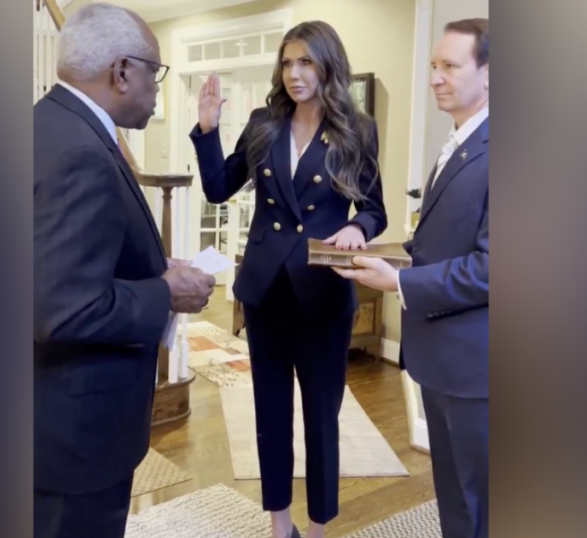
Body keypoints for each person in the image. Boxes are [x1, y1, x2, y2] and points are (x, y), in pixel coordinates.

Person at [190, 20, 387, 538]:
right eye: (287, 62)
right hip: (265, 292)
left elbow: (375, 209)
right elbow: (217, 189)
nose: (295, 73)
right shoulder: (263, 122)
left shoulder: (356, 129)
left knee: (322, 421)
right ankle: (281, 525)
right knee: (270, 414)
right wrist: (207, 130)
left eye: (306, 62)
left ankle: (317, 527)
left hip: (322, 295)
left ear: (327, 65)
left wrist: (354, 226)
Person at [33, 4, 216, 538]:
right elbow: (66, 308)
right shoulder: (81, 155)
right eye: (154, 72)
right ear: (121, 72)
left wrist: (156, 266)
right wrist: (166, 291)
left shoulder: (45, 125)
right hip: (74, 434)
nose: (158, 89)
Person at [333, 18, 489, 538]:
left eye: (449, 66)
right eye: (432, 66)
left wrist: (398, 282)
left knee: (479, 500)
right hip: (443, 357)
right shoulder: (459, 143)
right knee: (454, 494)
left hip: (477, 369)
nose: (435, 78)